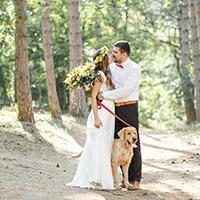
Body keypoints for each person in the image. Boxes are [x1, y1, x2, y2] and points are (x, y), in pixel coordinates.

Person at [66, 46, 115, 190]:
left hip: (108, 113)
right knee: (98, 146)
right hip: (101, 114)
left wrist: (86, 87)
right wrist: (96, 118)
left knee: (103, 146)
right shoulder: (100, 75)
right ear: (104, 59)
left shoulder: (103, 73)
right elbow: (93, 97)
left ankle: (97, 177)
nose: (112, 57)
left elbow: (93, 92)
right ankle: (94, 177)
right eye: (109, 56)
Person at [98, 40, 142, 189]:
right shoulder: (111, 67)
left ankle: (135, 179)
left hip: (128, 107)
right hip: (113, 107)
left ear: (124, 53)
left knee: (133, 142)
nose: (113, 54)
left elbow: (126, 91)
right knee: (116, 142)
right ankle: (116, 179)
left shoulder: (135, 68)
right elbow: (104, 81)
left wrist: (104, 94)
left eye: (116, 51)